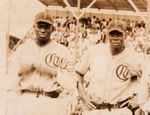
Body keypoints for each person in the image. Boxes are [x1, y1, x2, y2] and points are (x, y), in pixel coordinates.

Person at [5, 11, 77, 115]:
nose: (43, 30)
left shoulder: (63, 52)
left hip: (50, 102)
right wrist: (20, 71)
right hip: (25, 100)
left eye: (47, 27)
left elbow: (72, 85)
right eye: (39, 26)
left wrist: (55, 73)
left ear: (53, 29)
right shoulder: (22, 49)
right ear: (34, 27)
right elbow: (8, 82)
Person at [75, 19, 144, 115]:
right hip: (94, 109)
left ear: (125, 35)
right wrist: (83, 97)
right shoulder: (95, 51)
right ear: (107, 35)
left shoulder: (134, 58)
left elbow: (146, 79)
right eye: (112, 34)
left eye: (119, 34)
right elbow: (78, 72)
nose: (115, 38)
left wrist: (139, 98)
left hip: (119, 110)